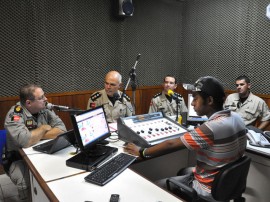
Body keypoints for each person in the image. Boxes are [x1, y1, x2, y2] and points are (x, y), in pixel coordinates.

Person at [124, 76, 247, 202]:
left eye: (195, 98)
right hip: (226, 184)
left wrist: (142, 152)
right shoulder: (237, 118)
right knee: (183, 170)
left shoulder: (211, 128)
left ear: (209, 100)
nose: (192, 103)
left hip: (206, 189)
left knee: (156, 185)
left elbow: (171, 143)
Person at [4, 83, 67, 202]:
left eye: (44, 96)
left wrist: (35, 135)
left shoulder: (44, 109)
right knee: (25, 182)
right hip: (17, 158)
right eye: (41, 97)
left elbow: (62, 129)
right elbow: (25, 141)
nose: (46, 99)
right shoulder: (14, 115)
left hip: (40, 151)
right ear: (28, 103)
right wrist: (43, 128)